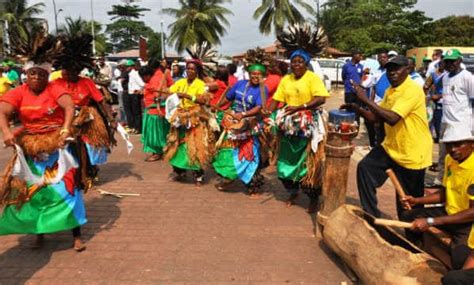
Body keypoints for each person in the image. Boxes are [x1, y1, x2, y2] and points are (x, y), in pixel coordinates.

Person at [0, 31, 86, 251]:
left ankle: (76, 233)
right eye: (33, 74)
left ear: (47, 75)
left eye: (41, 74)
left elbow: (69, 107)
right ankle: (40, 231)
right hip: (32, 149)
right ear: (26, 75)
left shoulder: (55, 88)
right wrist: (7, 133)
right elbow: (3, 112)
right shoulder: (19, 92)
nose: (37, 78)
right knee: (35, 192)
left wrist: (65, 129)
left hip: (58, 147)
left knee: (67, 190)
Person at [343, 55, 433, 218]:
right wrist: (357, 108)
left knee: (407, 204)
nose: (392, 72)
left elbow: (392, 119)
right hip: (391, 147)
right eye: (390, 69)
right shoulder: (391, 91)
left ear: (408, 70)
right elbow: (376, 118)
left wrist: (365, 99)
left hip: (412, 153)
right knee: (365, 168)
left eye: (397, 68)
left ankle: (414, 239)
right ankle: (371, 216)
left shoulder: (412, 90)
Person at [270, 24, 330, 212]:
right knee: (284, 165)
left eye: (299, 62)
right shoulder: (286, 79)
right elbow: (276, 100)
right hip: (288, 125)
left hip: (308, 123)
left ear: (306, 63)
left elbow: (321, 98)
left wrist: (301, 107)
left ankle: (313, 198)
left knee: (309, 163)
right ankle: (292, 190)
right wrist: (267, 113)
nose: (296, 65)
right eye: (293, 62)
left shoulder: (312, 78)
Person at [401, 125, 474, 270]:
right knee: (408, 216)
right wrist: (417, 200)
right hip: (449, 213)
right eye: (449, 145)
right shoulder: (450, 159)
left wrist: (430, 221)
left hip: (467, 223)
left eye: (459, 144)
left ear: (472, 144)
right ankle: (418, 251)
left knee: (460, 261)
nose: (453, 149)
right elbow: (445, 193)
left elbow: (472, 213)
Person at [53, 34, 116, 188]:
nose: (66, 73)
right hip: (65, 120)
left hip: (87, 118)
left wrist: (111, 119)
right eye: (64, 70)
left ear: (77, 70)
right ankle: (68, 174)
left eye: (70, 70)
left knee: (89, 147)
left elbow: (101, 101)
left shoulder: (86, 82)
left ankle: (89, 172)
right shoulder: (56, 83)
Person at [212, 49, 267, 196]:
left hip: (249, 125)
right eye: (253, 73)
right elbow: (228, 98)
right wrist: (217, 106)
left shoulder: (262, 89)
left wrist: (243, 115)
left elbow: (259, 107)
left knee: (249, 156)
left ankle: (252, 186)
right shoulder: (240, 84)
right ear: (249, 73)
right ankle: (229, 177)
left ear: (262, 76)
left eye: (259, 74)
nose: (256, 76)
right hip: (232, 124)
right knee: (227, 152)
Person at [165, 58, 215, 186]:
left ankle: (198, 175)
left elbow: (203, 101)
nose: (190, 71)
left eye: (193, 69)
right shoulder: (180, 82)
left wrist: (188, 96)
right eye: (188, 68)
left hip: (195, 117)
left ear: (197, 71)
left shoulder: (200, 84)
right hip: (179, 116)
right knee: (177, 144)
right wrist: (167, 94)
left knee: (195, 146)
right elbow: (169, 92)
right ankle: (179, 171)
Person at [434, 49, 474, 187]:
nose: (449, 64)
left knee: (461, 155)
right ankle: (441, 181)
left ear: (459, 61)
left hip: (461, 122)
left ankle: (461, 183)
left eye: (452, 61)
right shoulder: (445, 77)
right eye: (447, 61)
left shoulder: (467, 77)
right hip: (446, 121)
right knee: (443, 153)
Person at [140, 60, 174, 162]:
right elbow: (171, 86)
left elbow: (158, 94)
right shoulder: (163, 75)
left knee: (154, 134)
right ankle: (164, 151)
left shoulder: (156, 78)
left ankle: (156, 153)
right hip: (160, 109)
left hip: (155, 111)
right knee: (163, 132)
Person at [342, 50, 363, 124]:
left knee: (357, 110)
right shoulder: (346, 66)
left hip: (358, 92)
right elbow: (343, 77)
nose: (361, 57)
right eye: (359, 55)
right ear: (354, 56)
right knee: (348, 109)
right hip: (349, 92)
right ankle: (348, 126)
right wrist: (348, 84)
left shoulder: (361, 66)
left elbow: (361, 77)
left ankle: (356, 126)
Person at [126, 60, 145, 134]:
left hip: (135, 93)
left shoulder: (135, 74)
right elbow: (140, 83)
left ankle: (138, 128)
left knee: (136, 112)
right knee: (135, 112)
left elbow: (141, 84)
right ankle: (136, 127)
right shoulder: (133, 73)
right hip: (133, 93)